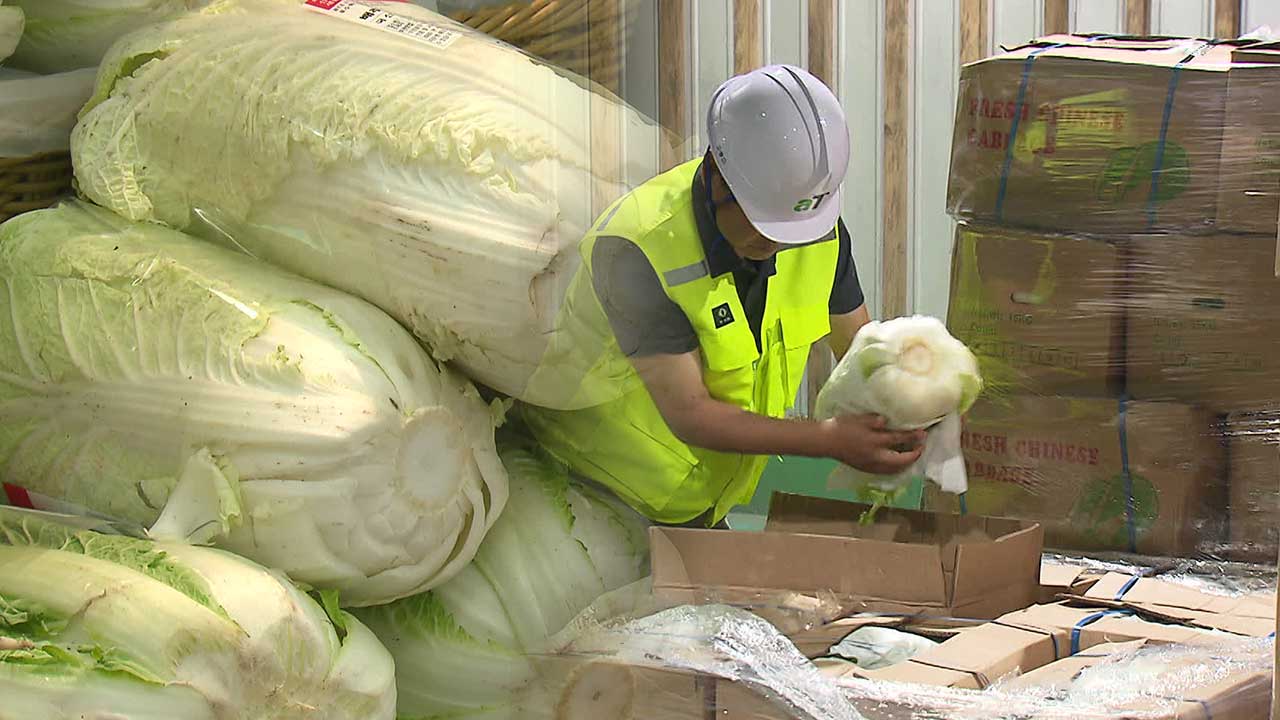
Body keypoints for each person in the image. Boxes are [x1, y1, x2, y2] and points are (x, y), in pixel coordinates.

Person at [520, 64, 927, 528]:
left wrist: (915, 401)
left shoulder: (814, 234)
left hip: (704, 499)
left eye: (791, 231)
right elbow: (690, 412)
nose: (776, 244)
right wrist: (831, 439)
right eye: (761, 224)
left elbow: (860, 352)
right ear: (716, 174)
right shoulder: (635, 248)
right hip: (601, 498)